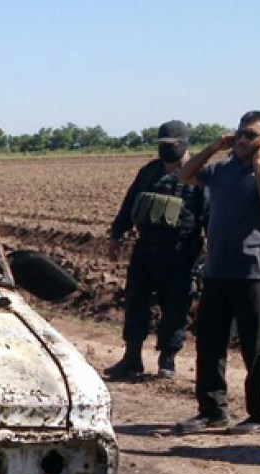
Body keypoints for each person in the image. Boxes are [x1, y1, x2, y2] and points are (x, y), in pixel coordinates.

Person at [174, 111, 260, 435]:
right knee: (209, 343)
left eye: (251, 135)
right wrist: (214, 146)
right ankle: (212, 411)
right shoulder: (223, 168)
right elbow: (185, 175)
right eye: (239, 133)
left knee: (255, 347)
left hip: (253, 272)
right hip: (217, 270)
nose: (242, 140)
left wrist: (258, 165)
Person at [103, 120, 207, 381]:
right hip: (145, 251)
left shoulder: (199, 175)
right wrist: (116, 235)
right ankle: (132, 358)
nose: (166, 150)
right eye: (162, 145)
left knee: (175, 308)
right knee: (136, 303)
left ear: (184, 145)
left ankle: (167, 359)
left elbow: (210, 216)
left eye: (171, 145)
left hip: (181, 254)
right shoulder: (149, 172)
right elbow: (129, 206)